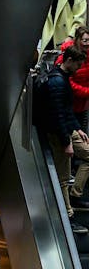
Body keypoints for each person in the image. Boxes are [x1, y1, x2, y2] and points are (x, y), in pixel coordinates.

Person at [33, 43, 89, 227]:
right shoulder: (57, 82)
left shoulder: (62, 78)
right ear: (69, 60)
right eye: (78, 64)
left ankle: (76, 194)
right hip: (58, 134)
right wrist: (67, 142)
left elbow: (66, 110)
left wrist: (77, 129)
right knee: (63, 177)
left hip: (66, 129)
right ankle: (67, 215)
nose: (79, 69)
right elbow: (57, 115)